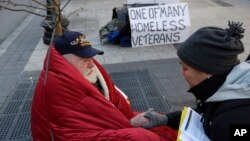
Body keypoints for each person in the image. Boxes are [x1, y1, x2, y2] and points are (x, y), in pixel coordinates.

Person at [31, 31, 177, 141]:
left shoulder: (86, 72)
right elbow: (70, 133)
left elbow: (110, 108)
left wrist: (130, 122)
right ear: (64, 62)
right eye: (84, 59)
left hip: (113, 125)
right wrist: (130, 127)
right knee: (142, 137)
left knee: (161, 123)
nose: (91, 63)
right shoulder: (56, 86)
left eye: (91, 57)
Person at [130, 21, 250, 141]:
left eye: (185, 68)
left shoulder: (227, 124)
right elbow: (206, 111)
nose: (181, 73)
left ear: (208, 71)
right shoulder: (225, 85)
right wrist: (167, 119)